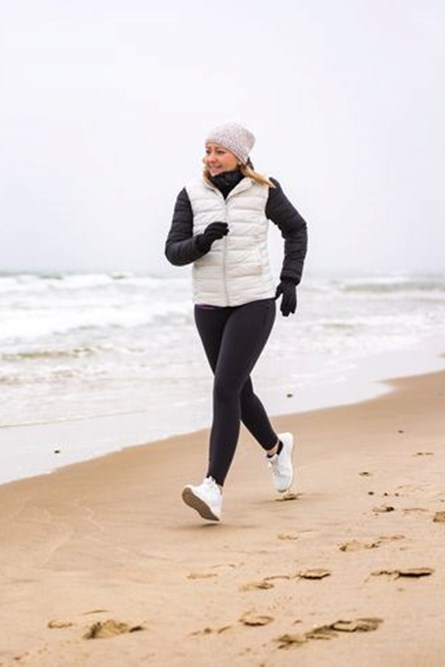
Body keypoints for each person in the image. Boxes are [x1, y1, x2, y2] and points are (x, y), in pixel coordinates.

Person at [164, 122, 308, 522]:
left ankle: (213, 487)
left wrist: (290, 278)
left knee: (224, 388)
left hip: (253, 302)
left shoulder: (264, 190)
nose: (210, 158)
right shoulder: (191, 193)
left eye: (218, 151)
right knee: (238, 392)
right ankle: (277, 450)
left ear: (239, 156)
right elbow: (173, 252)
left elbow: (296, 229)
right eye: (207, 151)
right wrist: (202, 241)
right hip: (208, 306)